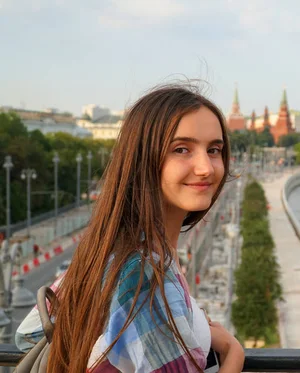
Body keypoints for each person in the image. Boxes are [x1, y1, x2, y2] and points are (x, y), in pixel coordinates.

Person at [15, 83, 245, 372]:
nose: (206, 167)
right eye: (182, 149)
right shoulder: (146, 276)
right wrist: (233, 352)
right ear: (143, 160)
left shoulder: (107, 251)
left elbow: (30, 334)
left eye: (214, 150)